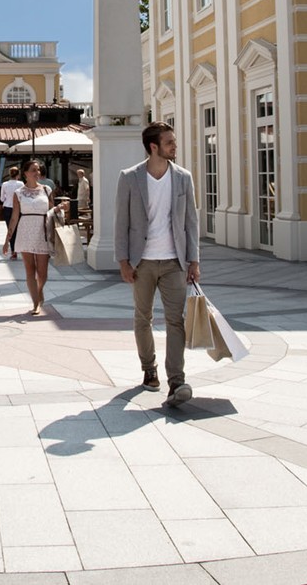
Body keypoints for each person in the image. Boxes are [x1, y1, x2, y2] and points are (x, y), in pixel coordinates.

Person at [114, 121, 201, 408]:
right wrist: (123, 261)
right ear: (154, 147)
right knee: (143, 318)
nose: (175, 146)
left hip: (175, 261)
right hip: (143, 262)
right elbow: (121, 223)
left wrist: (194, 259)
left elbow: (191, 221)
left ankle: (176, 380)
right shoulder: (129, 178)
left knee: (177, 321)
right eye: (170, 143)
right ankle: (149, 369)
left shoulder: (183, 178)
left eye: (174, 142)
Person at [8, 158, 55, 315]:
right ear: (25, 173)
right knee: (30, 270)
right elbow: (14, 217)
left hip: (43, 230)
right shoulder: (18, 193)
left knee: (42, 272)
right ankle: (35, 302)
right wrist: (7, 239)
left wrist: (61, 208)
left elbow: (52, 211)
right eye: (34, 170)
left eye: (38, 170)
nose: (37, 173)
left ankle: (39, 290)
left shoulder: (47, 190)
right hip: (25, 230)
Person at [0, 165, 22, 259]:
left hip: (8, 207)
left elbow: (1, 198)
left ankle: (13, 251)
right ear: (18, 174)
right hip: (18, 208)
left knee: (10, 229)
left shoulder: (5, 184)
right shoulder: (21, 184)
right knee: (18, 229)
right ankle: (16, 249)